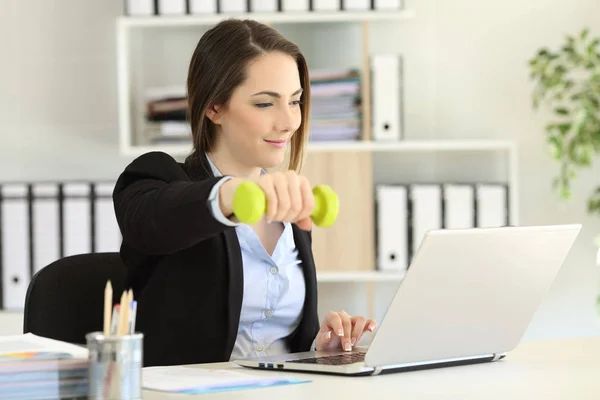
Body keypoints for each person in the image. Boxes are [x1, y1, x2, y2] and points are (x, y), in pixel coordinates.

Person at [112, 18, 376, 368]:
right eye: (265, 104)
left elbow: (277, 340)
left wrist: (319, 348)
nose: (288, 122)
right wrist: (232, 196)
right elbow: (150, 221)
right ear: (214, 107)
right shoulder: (158, 179)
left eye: (295, 101)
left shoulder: (290, 211)